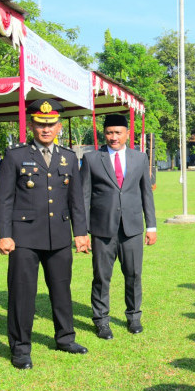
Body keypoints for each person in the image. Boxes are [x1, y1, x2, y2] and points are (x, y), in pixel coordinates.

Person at [0, 98, 90, 370]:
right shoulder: (15, 156)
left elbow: (76, 200)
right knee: (22, 294)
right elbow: (3, 200)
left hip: (59, 236)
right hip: (23, 237)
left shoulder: (69, 157)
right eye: (40, 124)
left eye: (50, 124)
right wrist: (3, 234)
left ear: (59, 126)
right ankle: (21, 348)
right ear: (32, 125)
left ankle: (65, 338)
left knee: (62, 290)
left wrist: (81, 233)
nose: (45, 129)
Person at [80, 114, 157, 339]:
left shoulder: (140, 158)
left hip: (132, 228)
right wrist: (82, 231)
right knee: (102, 277)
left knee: (133, 274)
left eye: (118, 133)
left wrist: (151, 226)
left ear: (127, 134)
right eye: (109, 133)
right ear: (104, 133)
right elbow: (84, 196)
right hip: (102, 229)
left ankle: (134, 317)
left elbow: (146, 194)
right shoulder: (92, 159)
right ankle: (101, 321)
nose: (113, 137)